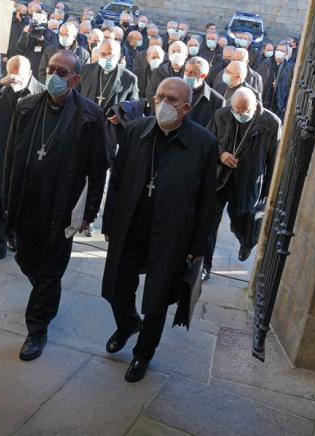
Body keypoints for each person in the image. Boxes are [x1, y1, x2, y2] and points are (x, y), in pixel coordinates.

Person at [101, 77, 216, 383]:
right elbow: (118, 180)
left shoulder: (203, 143)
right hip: (131, 227)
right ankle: (126, 324)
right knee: (115, 288)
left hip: (172, 234)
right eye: (160, 97)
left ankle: (142, 354)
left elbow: (208, 200)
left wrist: (199, 244)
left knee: (156, 300)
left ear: (187, 107)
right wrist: (109, 222)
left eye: (173, 100)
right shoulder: (137, 131)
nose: (163, 104)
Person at [3, 52, 109, 361]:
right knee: (25, 260)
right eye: (50, 69)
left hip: (62, 207)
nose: (53, 75)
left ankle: (37, 329)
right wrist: (6, 200)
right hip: (26, 203)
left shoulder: (90, 115)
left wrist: (89, 213)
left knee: (50, 270)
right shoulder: (26, 107)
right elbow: (11, 157)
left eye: (61, 71)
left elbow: (98, 168)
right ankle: (45, 295)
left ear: (75, 79)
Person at [204, 88, 280, 281]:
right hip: (220, 178)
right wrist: (221, 153)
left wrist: (268, 190)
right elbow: (208, 140)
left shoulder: (271, 123)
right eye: (236, 111)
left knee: (241, 221)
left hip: (247, 180)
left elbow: (274, 159)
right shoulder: (221, 114)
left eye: (244, 112)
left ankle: (246, 241)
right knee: (209, 223)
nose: (239, 115)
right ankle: (205, 264)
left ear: (255, 107)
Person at [0, 56, 45, 267]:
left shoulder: (41, 92)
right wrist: (0, 83)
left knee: (21, 198)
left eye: (19, 74)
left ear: (30, 72)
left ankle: (14, 236)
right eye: (11, 74)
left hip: (25, 154)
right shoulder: (0, 86)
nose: (15, 78)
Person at [80, 39, 138, 162]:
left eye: (111, 55)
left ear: (119, 56)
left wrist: (121, 114)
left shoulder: (129, 78)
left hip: (110, 131)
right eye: (103, 54)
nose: (107, 58)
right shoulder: (85, 70)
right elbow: (74, 94)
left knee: (102, 168)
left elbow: (134, 104)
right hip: (84, 126)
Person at [184, 56, 224, 127]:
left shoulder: (217, 100)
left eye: (192, 73)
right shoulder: (175, 91)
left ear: (203, 76)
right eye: (186, 71)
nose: (187, 75)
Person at [259, 41, 295, 119]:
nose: (279, 52)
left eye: (282, 51)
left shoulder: (289, 68)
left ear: (286, 54)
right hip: (264, 98)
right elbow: (259, 79)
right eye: (278, 50)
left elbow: (288, 86)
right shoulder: (266, 63)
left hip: (278, 102)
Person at [17, 9, 52, 79]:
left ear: (46, 20)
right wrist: (24, 33)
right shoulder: (28, 31)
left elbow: (51, 50)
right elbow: (20, 48)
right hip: (26, 69)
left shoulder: (51, 34)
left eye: (42, 19)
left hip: (41, 70)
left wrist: (42, 40)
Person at [1, 3, 29, 76]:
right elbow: (4, 38)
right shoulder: (9, 21)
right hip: (9, 52)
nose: (25, 14)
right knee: (5, 74)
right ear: (18, 11)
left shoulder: (26, 23)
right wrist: (4, 55)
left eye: (26, 12)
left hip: (20, 54)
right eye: (24, 12)